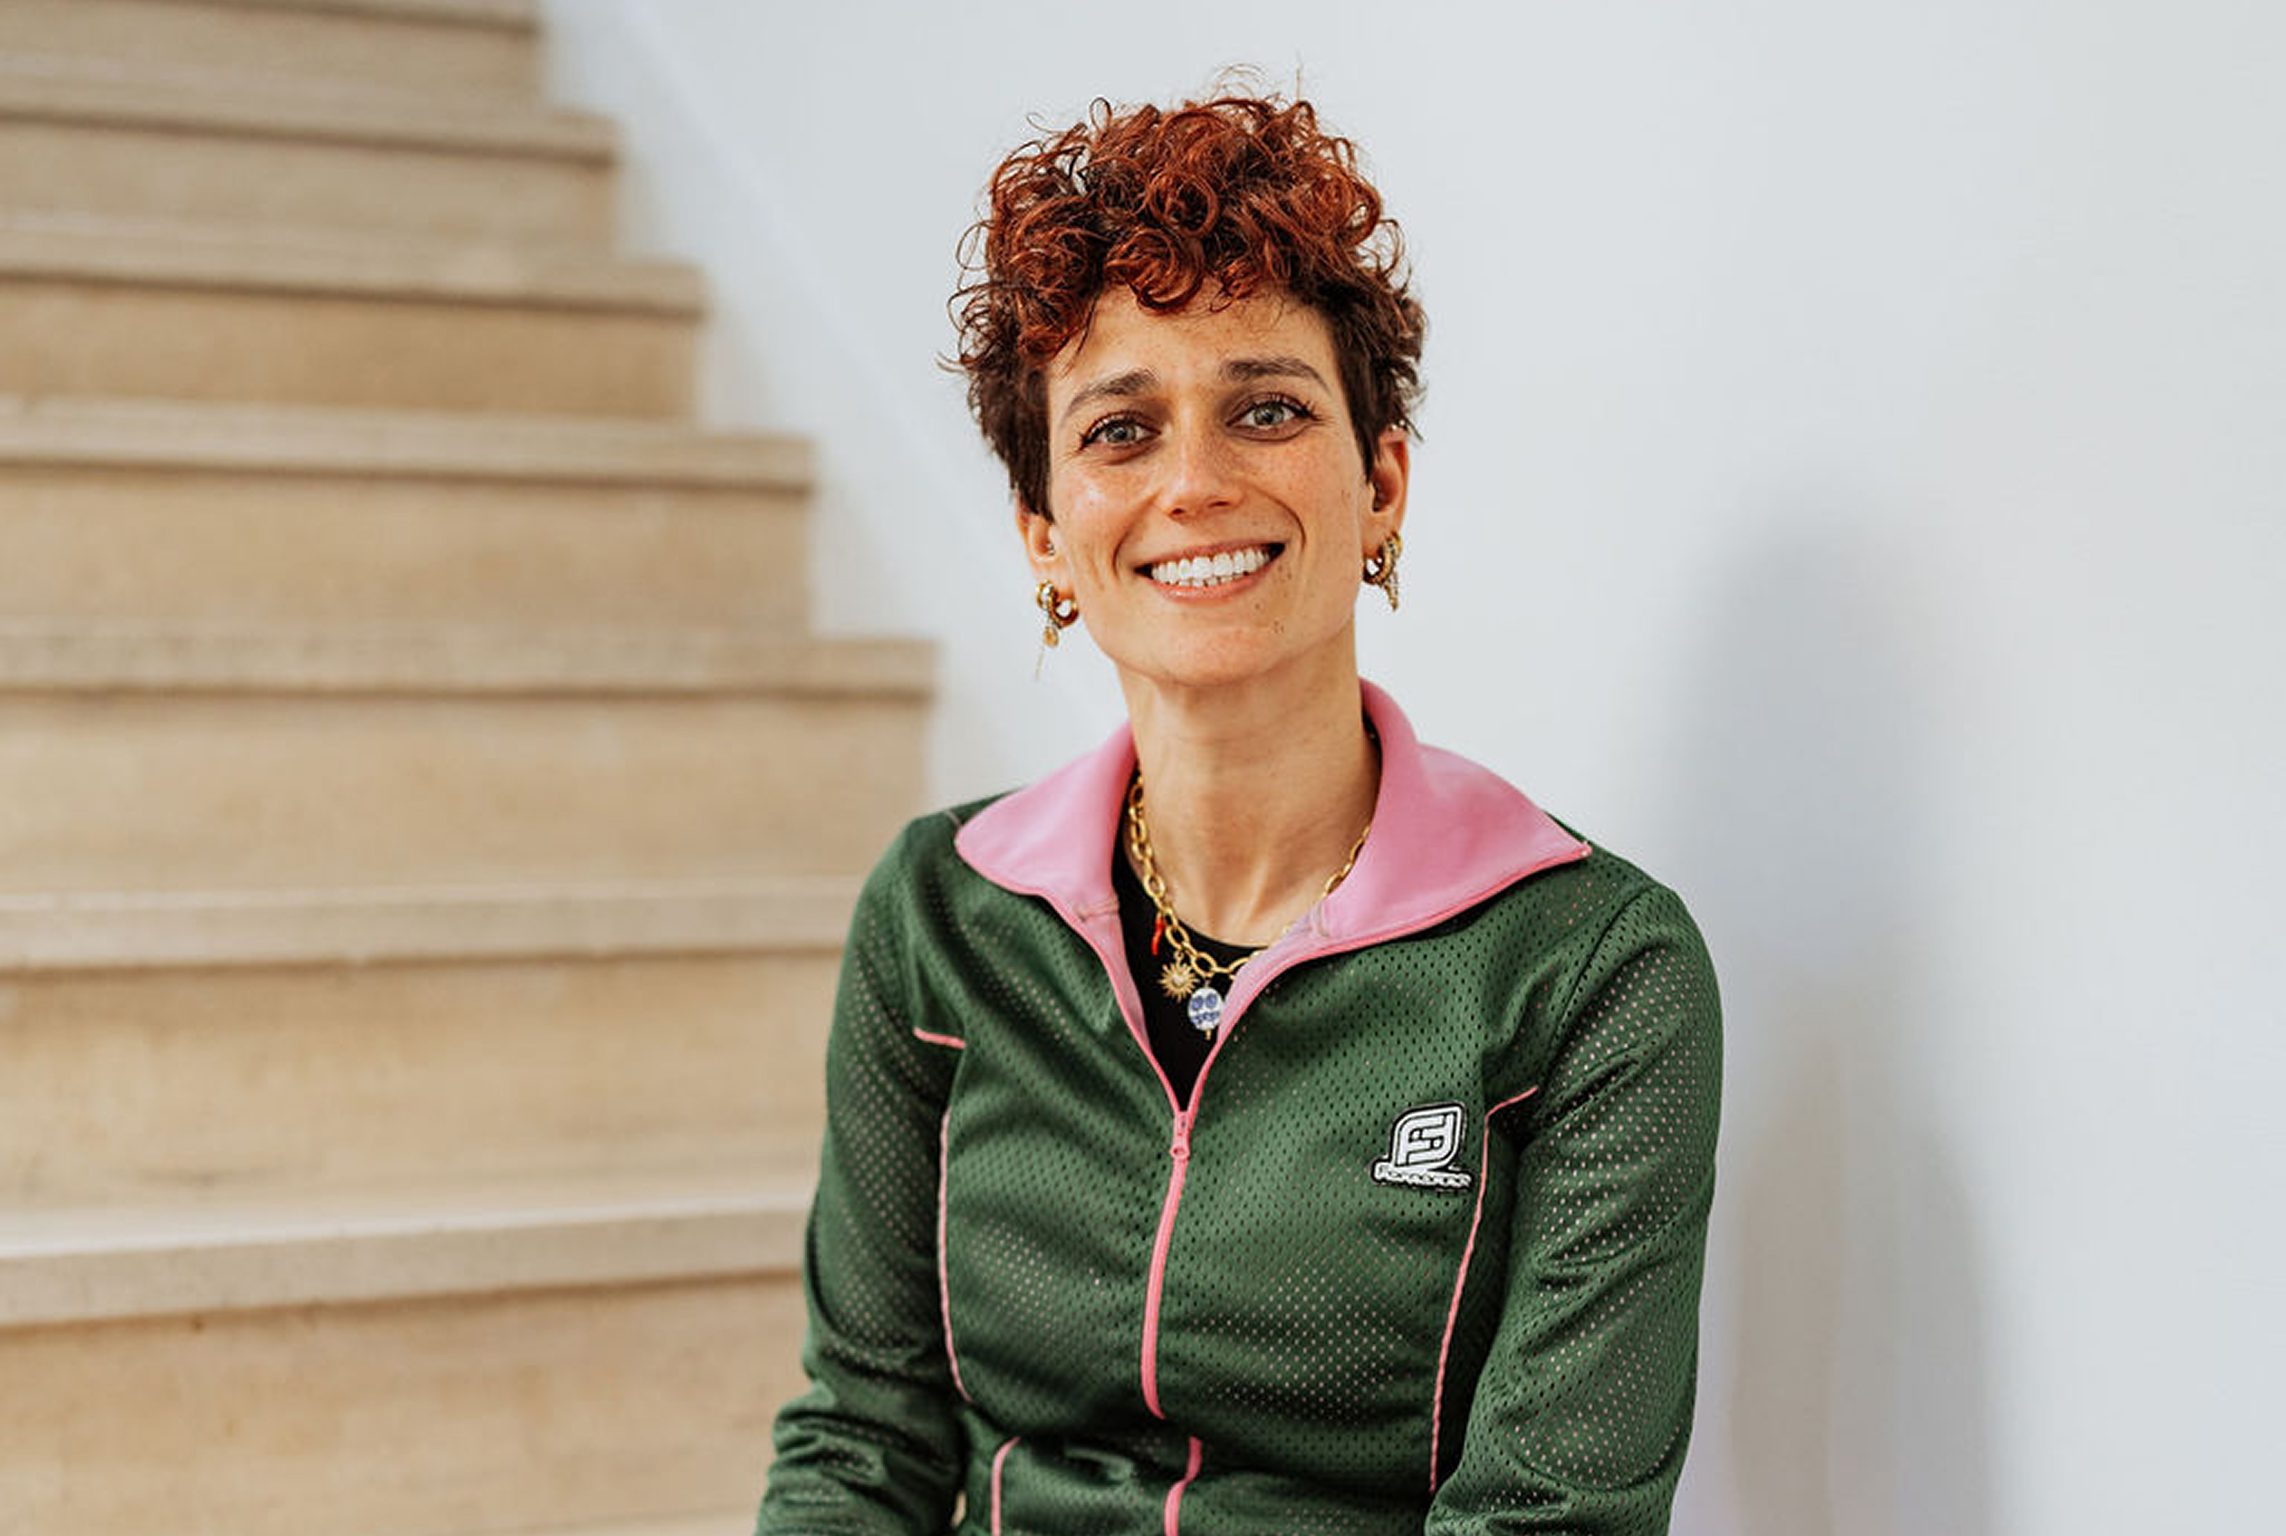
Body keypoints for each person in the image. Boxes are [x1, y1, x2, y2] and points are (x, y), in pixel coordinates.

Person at [754, 88, 1720, 1536]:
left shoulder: (1589, 968)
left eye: (1267, 410)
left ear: (1379, 483)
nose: (1196, 485)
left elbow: (1548, 1518)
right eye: (1120, 430)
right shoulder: (938, 916)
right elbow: (862, 1438)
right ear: (1045, 534)